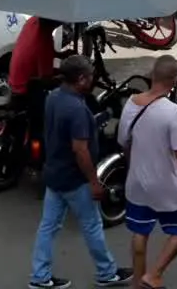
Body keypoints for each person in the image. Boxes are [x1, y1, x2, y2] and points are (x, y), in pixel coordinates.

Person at [28, 56, 133, 289]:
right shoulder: (76, 109)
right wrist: (94, 181)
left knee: (48, 227)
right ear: (81, 79)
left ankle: (40, 276)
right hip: (75, 179)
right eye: (91, 75)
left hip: (54, 174)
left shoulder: (54, 97)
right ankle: (106, 273)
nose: (94, 79)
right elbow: (80, 150)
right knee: (92, 225)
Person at [119, 56, 177, 289]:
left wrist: (133, 163)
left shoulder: (131, 104)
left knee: (139, 229)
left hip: (137, 182)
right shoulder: (173, 112)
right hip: (166, 184)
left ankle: (137, 281)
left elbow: (124, 141)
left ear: (152, 75)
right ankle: (154, 274)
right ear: (175, 80)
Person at [7, 16, 62, 102]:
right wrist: (66, 77)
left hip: (15, 82)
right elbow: (46, 79)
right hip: (24, 90)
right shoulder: (44, 38)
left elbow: (33, 51)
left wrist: (61, 55)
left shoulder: (32, 21)